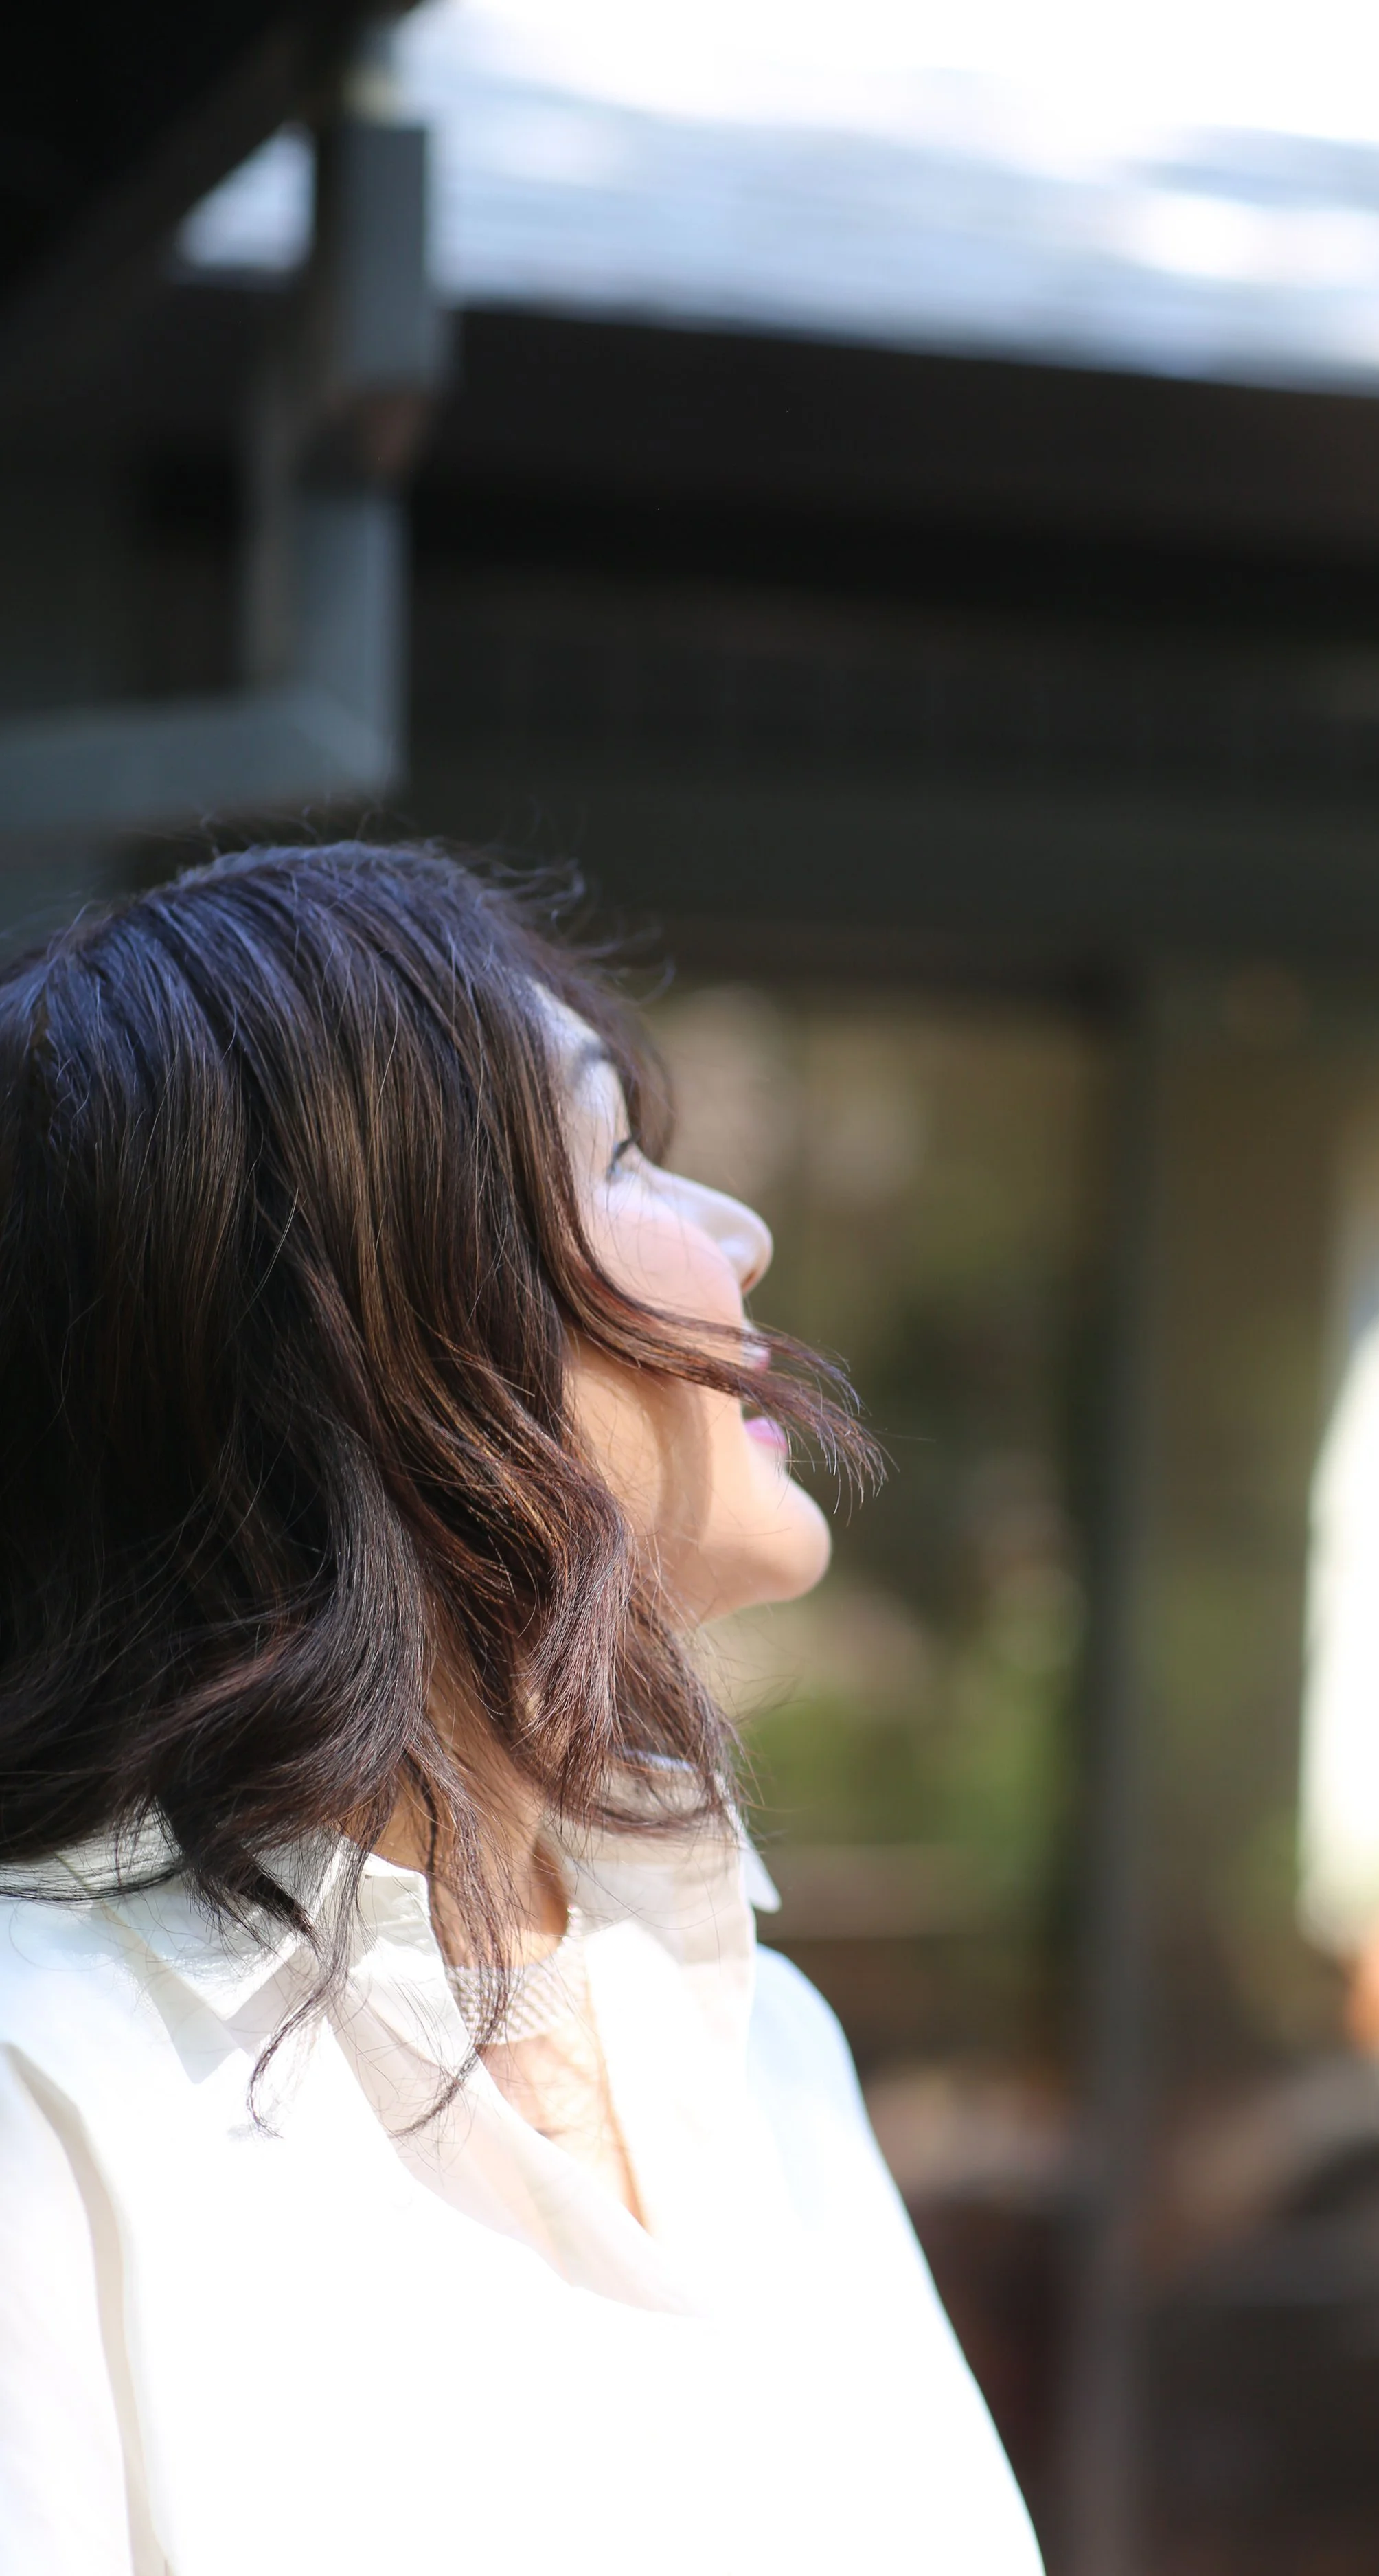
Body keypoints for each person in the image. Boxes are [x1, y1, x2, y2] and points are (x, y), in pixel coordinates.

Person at [0, 844, 1043, 2576]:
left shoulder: (759, 2041)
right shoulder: (51, 2087)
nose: (742, 1233)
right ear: (351, 1321)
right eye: (618, 1153)